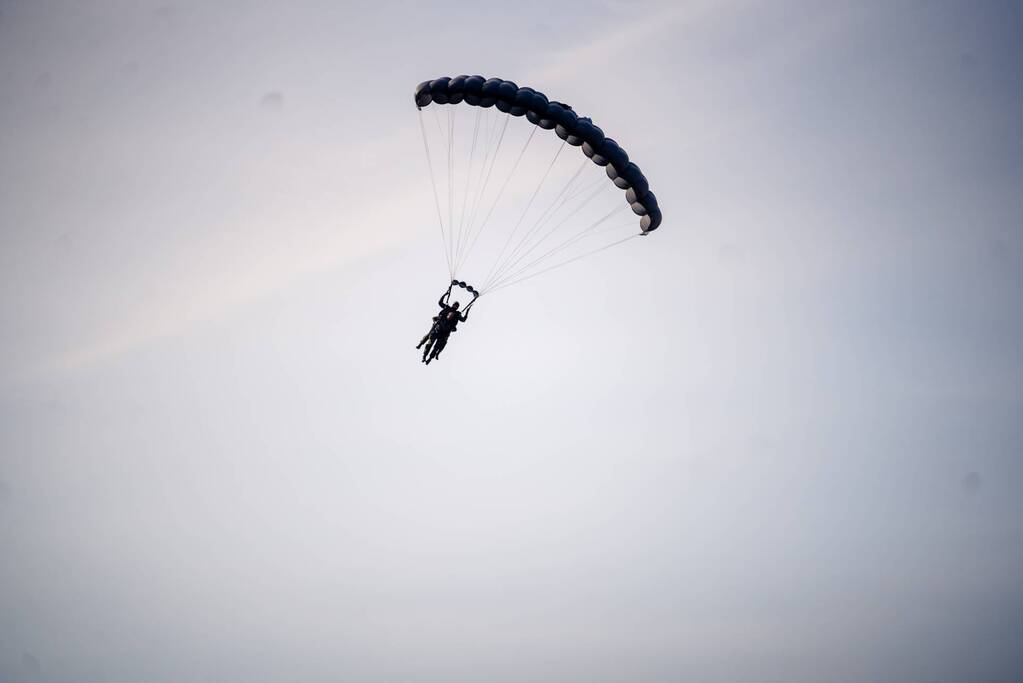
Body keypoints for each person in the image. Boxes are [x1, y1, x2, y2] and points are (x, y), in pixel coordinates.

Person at [416, 285, 470, 364]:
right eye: (455, 305)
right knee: (430, 338)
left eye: (457, 306)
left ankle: (431, 358)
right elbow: (440, 302)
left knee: (438, 346)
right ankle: (423, 352)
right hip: (438, 327)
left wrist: (468, 311)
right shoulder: (447, 308)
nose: (455, 306)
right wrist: (446, 294)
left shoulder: (457, 314)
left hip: (445, 332)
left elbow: (463, 320)